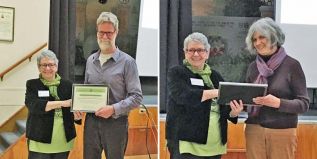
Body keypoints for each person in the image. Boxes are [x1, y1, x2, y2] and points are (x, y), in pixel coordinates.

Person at [231, 17, 310, 159]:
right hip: (253, 130)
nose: (257, 42)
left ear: (274, 37)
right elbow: (249, 100)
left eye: (262, 37)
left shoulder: (292, 65)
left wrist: (278, 103)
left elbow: (303, 104)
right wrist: (237, 108)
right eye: (254, 39)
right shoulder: (252, 67)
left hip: (282, 132)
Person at [165, 32, 243, 159]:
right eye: (191, 50)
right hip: (187, 145)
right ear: (185, 52)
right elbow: (184, 96)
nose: (196, 54)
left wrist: (234, 112)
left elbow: (225, 109)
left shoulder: (216, 76)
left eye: (200, 50)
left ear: (207, 53)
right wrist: (216, 92)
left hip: (214, 145)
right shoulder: (177, 73)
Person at [83, 12, 143, 159]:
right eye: (101, 32)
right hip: (91, 122)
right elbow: (85, 90)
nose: (104, 37)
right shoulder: (90, 60)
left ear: (116, 32)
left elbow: (136, 97)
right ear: (97, 33)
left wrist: (113, 109)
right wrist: (80, 108)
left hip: (115, 124)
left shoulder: (128, 62)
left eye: (109, 33)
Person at [24, 50, 82, 159]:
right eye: (44, 65)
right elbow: (34, 106)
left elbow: (73, 109)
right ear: (38, 67)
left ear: (56, 66)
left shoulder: (68, 85)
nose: (47, 68)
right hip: (39, 140)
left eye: (51, 65)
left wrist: (76, 116)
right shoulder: (32, 84)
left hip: (63, 140)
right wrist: (63, 103)